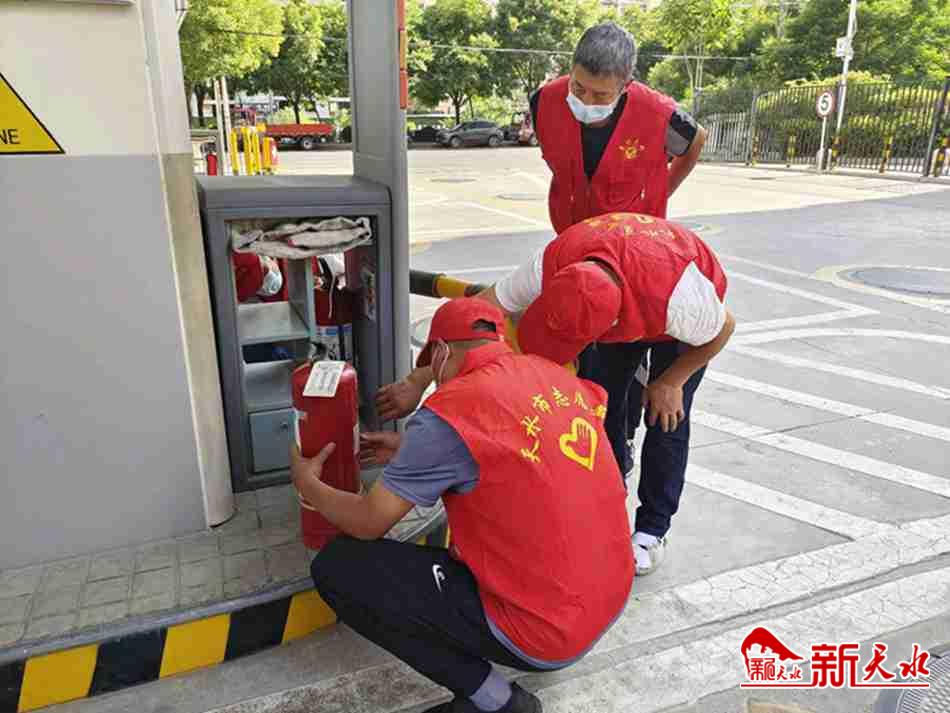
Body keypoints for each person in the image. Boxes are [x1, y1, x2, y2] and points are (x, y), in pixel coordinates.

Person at [292, 298, 633, 713]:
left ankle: (496, 701)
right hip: (607, 598)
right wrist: (410, 450)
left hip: (545, 633)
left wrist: (308, 485)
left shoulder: (453, 407)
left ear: (440, 352)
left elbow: (368, 522)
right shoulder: (552, 376)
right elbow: (527, 452)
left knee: (341, 567)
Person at [480, 213, 735, 576]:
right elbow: (482, 307)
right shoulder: (554, 261)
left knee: (666, 418)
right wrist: (426, 373)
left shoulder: (685, 303)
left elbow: (724, 328)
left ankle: (653, 529)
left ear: (613, 325)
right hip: (625, 283)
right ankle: (609, 496)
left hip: (675, 303)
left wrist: (672, 382)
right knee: (600, 403)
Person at [530, 21, 706, 234]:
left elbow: (697, 139)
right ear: (572, 69)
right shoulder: (544, 102)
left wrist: (663, 192)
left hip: (630, 236)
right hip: (570, 230)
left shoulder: (658, 114)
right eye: (578, 87)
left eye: (601, 95)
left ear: (625, 86)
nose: (587, 101)